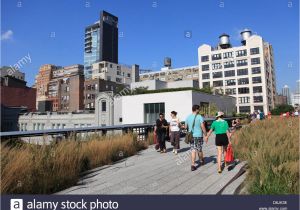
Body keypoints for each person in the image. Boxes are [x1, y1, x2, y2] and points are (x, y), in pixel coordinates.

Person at [184, 105, 207, 171]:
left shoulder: (188, 117)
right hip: (198, 135)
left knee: (193, 149)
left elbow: (185, 127)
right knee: (199, 149)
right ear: (196, 109)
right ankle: (201, 160)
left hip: (191, 136)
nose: (199, 110)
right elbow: (202, 126)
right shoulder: (199, 117)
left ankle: (193, 164)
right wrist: (205, 134)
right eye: (199, 109)